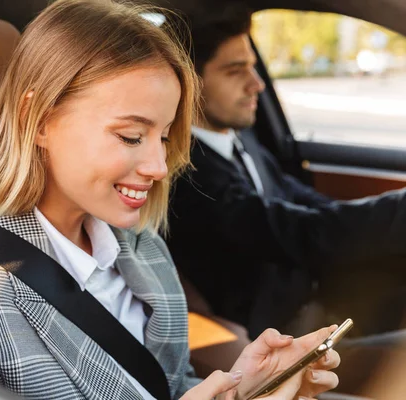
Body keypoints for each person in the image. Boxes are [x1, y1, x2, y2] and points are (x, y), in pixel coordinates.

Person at [0, 1, 340, 399]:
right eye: (132, 136)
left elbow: (160, 386)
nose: (159, 166)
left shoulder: (138, 247)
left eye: (163, 136)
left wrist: (245, 386)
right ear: (38, 119)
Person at [167, 6, 406, 339]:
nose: (257, 84)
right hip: (274, 332)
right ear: (187, 81)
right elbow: (297, 232)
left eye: (253, 66)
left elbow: (303, 200)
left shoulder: (238, 140)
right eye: (236, 71)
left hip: (307, 292)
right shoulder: (189, 176)